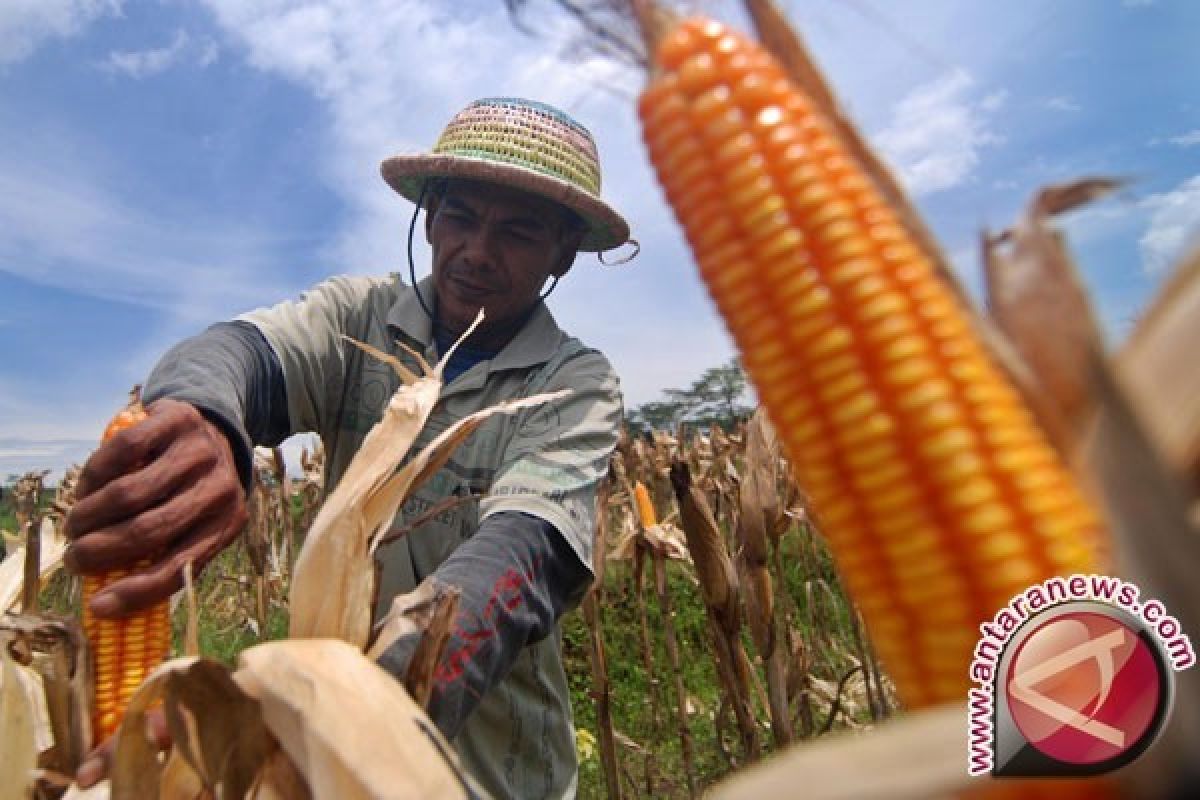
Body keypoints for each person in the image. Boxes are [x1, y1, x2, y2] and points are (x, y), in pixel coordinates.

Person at [64, 96, 632, 800]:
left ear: (563, 256)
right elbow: (239, 351)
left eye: (517, 232)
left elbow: (520, 557)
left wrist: (318, 729)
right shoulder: (357, 317)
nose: (477, 253)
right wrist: (206, 417)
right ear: (428, 218)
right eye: (460, 218)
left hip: (493, 775)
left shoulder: (574, 383)